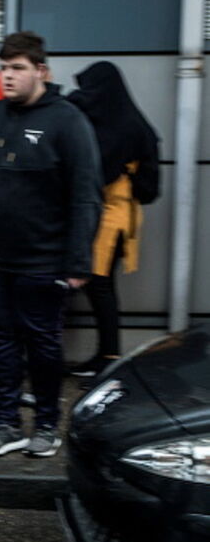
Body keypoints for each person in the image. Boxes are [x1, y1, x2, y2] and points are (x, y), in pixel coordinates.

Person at [0, 31, 102, 458]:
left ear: (42, 71)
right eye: (4, 68)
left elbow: (86, 195)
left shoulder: (68, 120)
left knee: (42, 345)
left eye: (18, 68)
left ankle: (47, 425)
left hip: (45, 261)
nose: (9, 76)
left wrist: (77, 261)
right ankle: (6, 424)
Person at [66, 61, 161, 380]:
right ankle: (106, 354)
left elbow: (103, 170)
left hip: (114, 219)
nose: (84, 95)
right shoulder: (119, 119)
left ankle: (110, 357)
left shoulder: (124, 128)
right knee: (97, 286)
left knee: (101, 286)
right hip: (103, 214)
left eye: (89, 88)